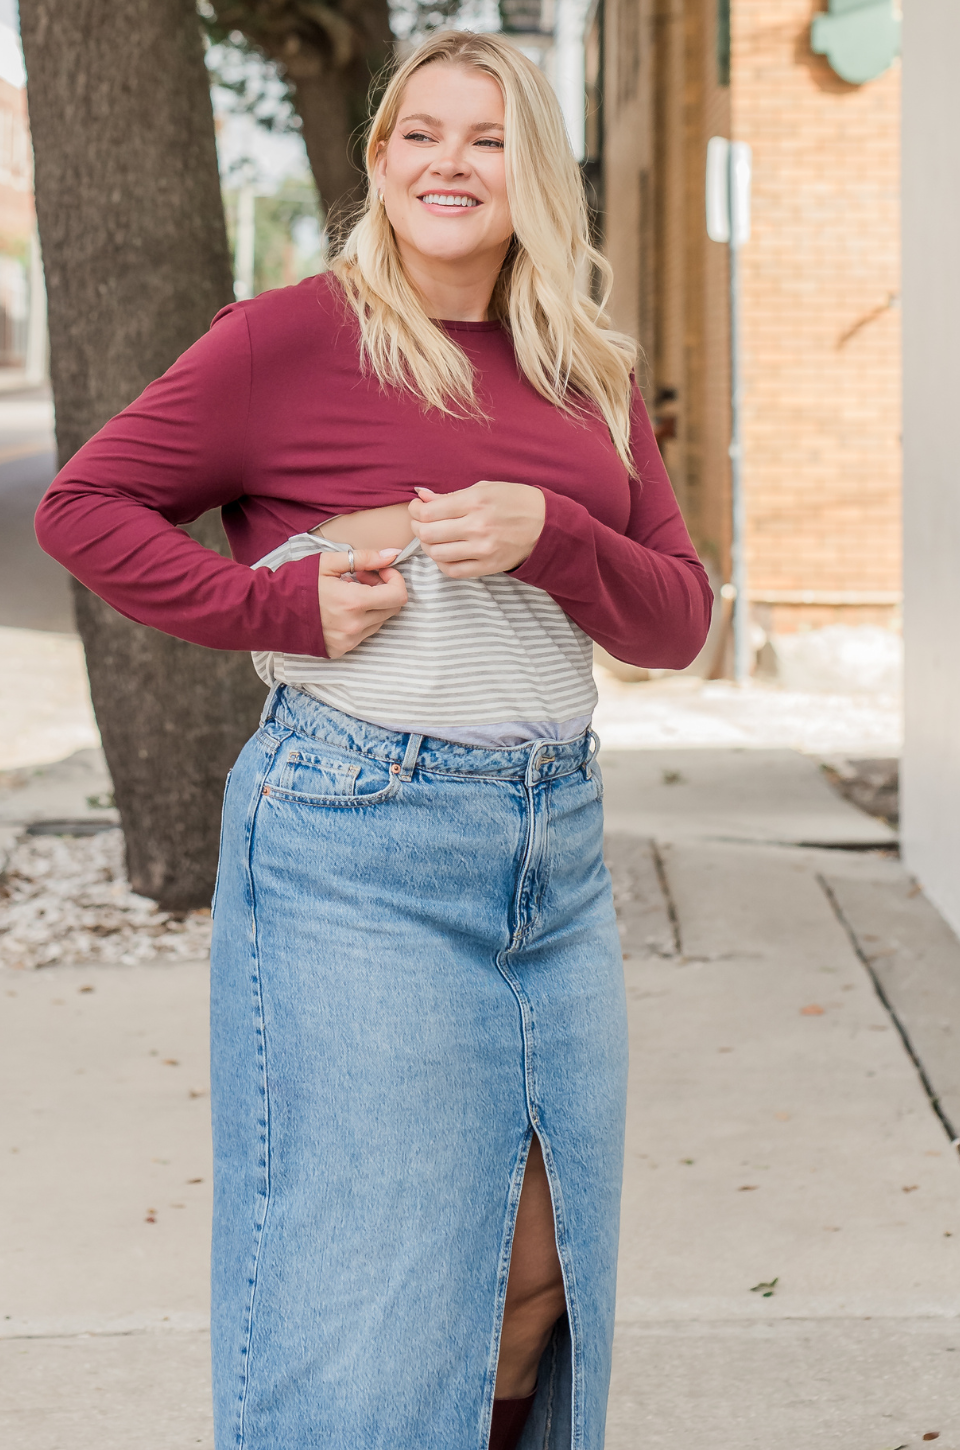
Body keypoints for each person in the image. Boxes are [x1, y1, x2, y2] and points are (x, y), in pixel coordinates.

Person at [35, 30, 711, 1450]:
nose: (447, 163)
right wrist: (262, 601)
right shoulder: (288, 338)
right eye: (418, 133)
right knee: (371, 1302)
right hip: (359, 837)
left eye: (483, 137)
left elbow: (674, 619)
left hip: (553, 850)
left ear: (534, 170)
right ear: (377, 160)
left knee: (537, 1278)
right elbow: (83, 509)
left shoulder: (591, 367)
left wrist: (561, 537)